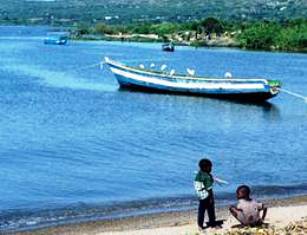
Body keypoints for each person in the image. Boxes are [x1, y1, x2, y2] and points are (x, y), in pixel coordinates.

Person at [194, 158, 220, 230]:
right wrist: (211, 198)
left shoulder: (199, 174)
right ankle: (213, 224)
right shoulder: (207, 177)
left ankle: (200, 225)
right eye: (210, 167)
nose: (211, 169)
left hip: (200, 195)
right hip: (207, 195)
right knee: (210, 210)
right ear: (206, 168)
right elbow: (209, 189)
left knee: (201, 210)